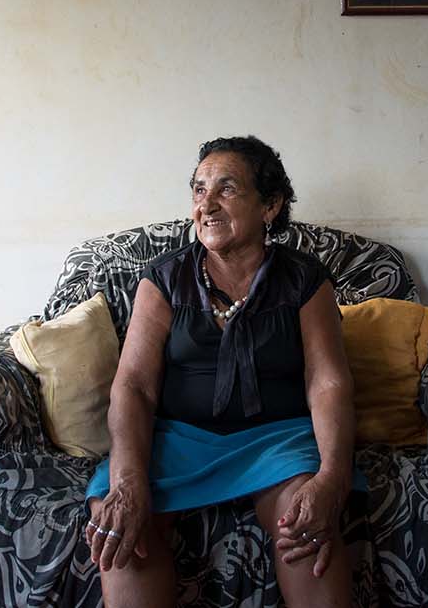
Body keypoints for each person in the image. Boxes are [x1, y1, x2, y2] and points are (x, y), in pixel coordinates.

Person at [84, 136, 358, 608]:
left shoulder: (304, 279)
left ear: (270, 205)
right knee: (124, 532)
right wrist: (128, 481)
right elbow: (134, 387)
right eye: (198, 190)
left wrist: (333, 476)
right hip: (177, 440)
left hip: (276, 440)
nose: (205, 205)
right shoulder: (163, 279)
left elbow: (327, 382)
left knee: (306, 529)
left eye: (226, 189)